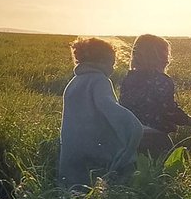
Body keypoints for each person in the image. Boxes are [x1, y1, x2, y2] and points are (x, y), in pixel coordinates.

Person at [57, 37, 143, 189]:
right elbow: (109, 107)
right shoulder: (100, 80)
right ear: (102, 62)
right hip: (95, 146)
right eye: (112, 63)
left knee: (75, 186)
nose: (113, 68)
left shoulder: (74, 83)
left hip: (73, 145)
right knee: (103, 180)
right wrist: (132, 124)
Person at [119, 34, 191, 158]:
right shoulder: (162, 81)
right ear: (161, 57)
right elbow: (169, 110)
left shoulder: (128, 79)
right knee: (165, 173)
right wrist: (189, 121)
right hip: (155, 138)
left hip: (128, 137)